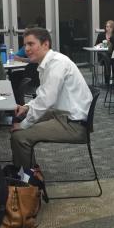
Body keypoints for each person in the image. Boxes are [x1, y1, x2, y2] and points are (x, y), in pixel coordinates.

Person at [10, 27, 93, 170]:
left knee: (19, 136)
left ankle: (26, 180)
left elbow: (46, 100)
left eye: (31, 44)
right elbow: (43, 95)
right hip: (64, 115)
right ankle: (29, 170)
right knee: (20, 119)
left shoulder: (57, 64)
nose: (26, 49)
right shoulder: (48, 63)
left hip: (74, 125)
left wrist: (24, 125)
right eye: (25, 45)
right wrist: (27, 107)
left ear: (45, 44)